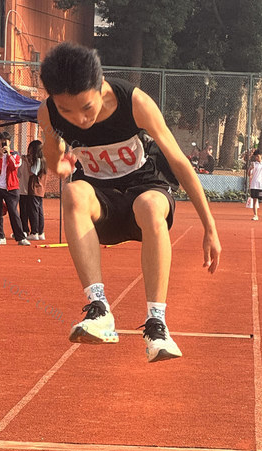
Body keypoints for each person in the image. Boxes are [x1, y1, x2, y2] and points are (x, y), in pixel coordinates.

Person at [37, 41, 221, 363]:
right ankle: (99, 308)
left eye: (86, 108)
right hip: (102, 202)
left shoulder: (134, 102)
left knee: (149, 206)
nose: (79, 119)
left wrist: (210, 226)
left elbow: (179, 162)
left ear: (100, 86)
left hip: (145, 189)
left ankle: (157, 324)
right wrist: (59, 163)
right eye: (66, 110)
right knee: (72, 192)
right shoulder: (49, 112)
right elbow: (53, 159)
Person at [0, 131, 31, 246]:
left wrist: (8, 155)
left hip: (11, 187)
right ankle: (0, 236)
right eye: (2, 141)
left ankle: (20, 237)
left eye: (6, 141)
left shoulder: (15, 155)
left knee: (13, 211)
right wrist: (1, 156)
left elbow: (14, 166)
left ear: (10, 142)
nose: (4, 144)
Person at [25, 139, 46, 240]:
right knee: (39, 210)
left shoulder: (38, 160)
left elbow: (32, 172)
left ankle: (35, 232)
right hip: (40, 189)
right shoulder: (44, 160)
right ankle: (40, 232)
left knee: (34, 211)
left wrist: (28, 162)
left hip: (35, 188)